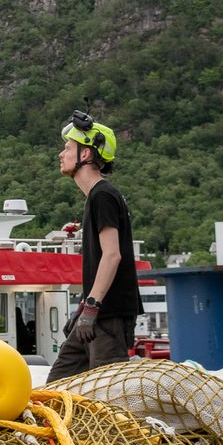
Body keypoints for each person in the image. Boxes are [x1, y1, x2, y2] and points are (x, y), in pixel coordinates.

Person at [47, 111, 142, 381]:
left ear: (86, 155)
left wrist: (90, 308)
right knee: (57, 385)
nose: (61, 154)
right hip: (94, 313)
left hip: (107, 316)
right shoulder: (96, 197)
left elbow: (112, 255)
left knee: (106, 396)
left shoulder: (103, 195)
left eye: (68, 148)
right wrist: (82, 311)